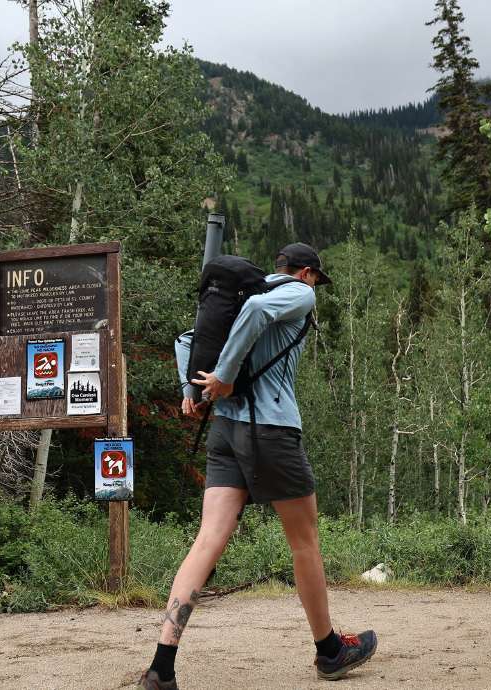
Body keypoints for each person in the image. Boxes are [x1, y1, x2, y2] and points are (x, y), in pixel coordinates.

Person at [138, 244, 378, 689]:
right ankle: (330, 651)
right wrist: (225, 377)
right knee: (305, 543)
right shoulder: (298, 295)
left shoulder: (243, 294)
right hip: (270, 431)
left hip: (225, 432)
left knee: (207, 541)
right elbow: (255, 316)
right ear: (306, 273)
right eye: (315, 279)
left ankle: (161, 667)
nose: (314, 287)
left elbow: (186, 340)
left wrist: (191, 391)